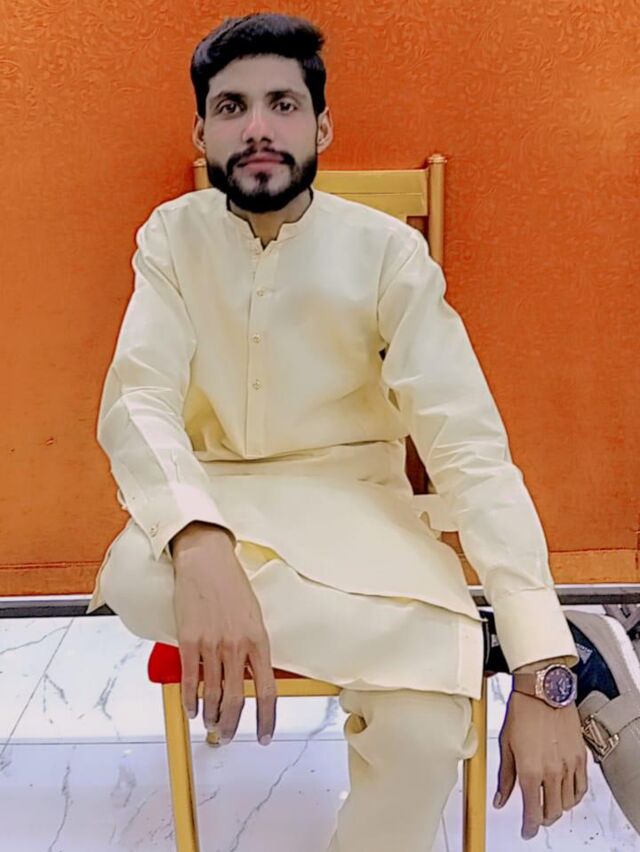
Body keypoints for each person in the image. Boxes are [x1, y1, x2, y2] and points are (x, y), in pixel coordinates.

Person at [86, 12, 640, 848]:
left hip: (359, 513)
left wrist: (539, 657)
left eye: (283, 103)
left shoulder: (387, 254)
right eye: (232, 107)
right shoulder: (171, 238)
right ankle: (478, 638)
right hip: (219, 503)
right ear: (201, 132)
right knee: (134, 575)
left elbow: (469, 449)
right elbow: (138, 400)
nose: (259, 127)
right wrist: (201, 542)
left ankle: (499, 640)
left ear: (322, 126)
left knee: (424, 731)